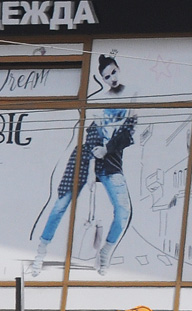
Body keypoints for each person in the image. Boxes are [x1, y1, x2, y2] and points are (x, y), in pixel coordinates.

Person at [30, 106, 136, 277]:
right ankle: (41, 252)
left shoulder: (127, 119)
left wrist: (107, 149)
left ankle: (106, 251)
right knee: (60, 205)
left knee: (124, 211)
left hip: (110, 164)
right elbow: (89, 136)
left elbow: (127, 136)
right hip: (84, 160)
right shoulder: (98, 117)